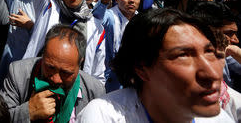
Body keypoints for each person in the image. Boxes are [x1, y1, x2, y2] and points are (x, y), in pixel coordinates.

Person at [77, 8, 231, 122]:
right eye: (183, 56)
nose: (213, 73)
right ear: (142, 69)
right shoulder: (103, 116)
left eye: (210, 52)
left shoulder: (219, 119)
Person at [0, 24, 105, 122]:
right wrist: (28, 112)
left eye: (65, 73)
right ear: (43, 55)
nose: (55, 79)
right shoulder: (18, 73)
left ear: (80, 63)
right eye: (50, 67)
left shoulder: (95, 91)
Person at [93, 0, 144, 92]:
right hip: (107, 78)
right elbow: (96, 17)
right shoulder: (110, 17)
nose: (131, 0)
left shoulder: (142, 21)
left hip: (131, 79)